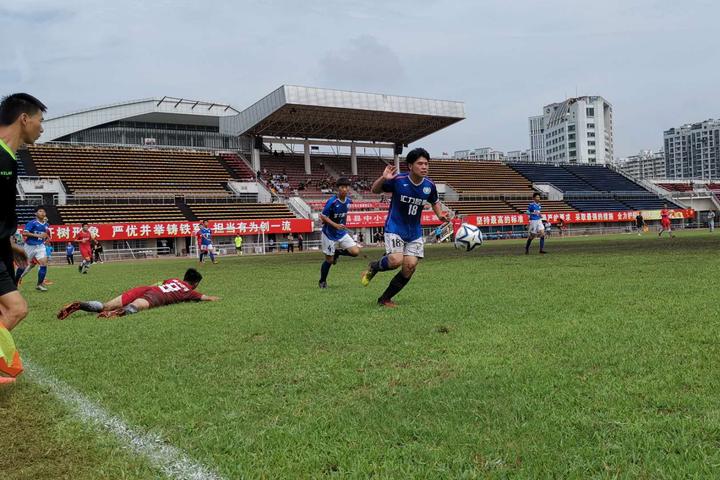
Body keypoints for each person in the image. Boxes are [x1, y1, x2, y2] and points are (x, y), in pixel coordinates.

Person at [360, 148, 450, 307]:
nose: (424, 167)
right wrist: (383, 178)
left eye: (426, 164)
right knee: (395, 261)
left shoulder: (429, 185)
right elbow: (375, 190)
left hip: (414, 232)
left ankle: (384, 299)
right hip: (394, 227)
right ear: (410, 165)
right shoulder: (398, 180)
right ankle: (374, 266)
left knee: (410, 266)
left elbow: (434, 201)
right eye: (420, 163)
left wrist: (439, 214)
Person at [0, 93, 47, 382]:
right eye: (40, 121)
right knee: (16, 309)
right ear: (24, 119)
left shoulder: (9, 156)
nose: (42, 128)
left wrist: (10, 244)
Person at [57, 268, 219, 319]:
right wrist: (214, 298)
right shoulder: (188, 291)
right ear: (195, 283)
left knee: (105, 304)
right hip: (157, 296)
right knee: (137, 306)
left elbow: (158, 283)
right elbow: (206, 298)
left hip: (145, 288)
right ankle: (113, 314)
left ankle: (82, 305)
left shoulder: (173, 279)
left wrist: (147, 289)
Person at [318, 178, 361, 288]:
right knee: (329, 260)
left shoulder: (348, 201)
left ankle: (338, 253)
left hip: (341, 233)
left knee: (355, 252)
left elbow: (343, 214)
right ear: (338, 189)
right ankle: (322, 281)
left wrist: (341, 225)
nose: (344, 189)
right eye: (342, 187)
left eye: (346, 187)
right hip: (329, 234)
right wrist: (335, 225)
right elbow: (322, 216)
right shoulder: (332, 201)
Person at [15, 207, 51, 291]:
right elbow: (24, 233)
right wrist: (38, 236)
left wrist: (46, 239)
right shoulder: (32, 223)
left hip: (40, 246)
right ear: (36, 214)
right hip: (29, 246)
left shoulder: (46, 224)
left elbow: (44, 234)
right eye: (40, 211)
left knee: (43, 264)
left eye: (44, 211)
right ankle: (15, 283)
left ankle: (39, 284)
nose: (42, 212)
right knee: (22, 266)